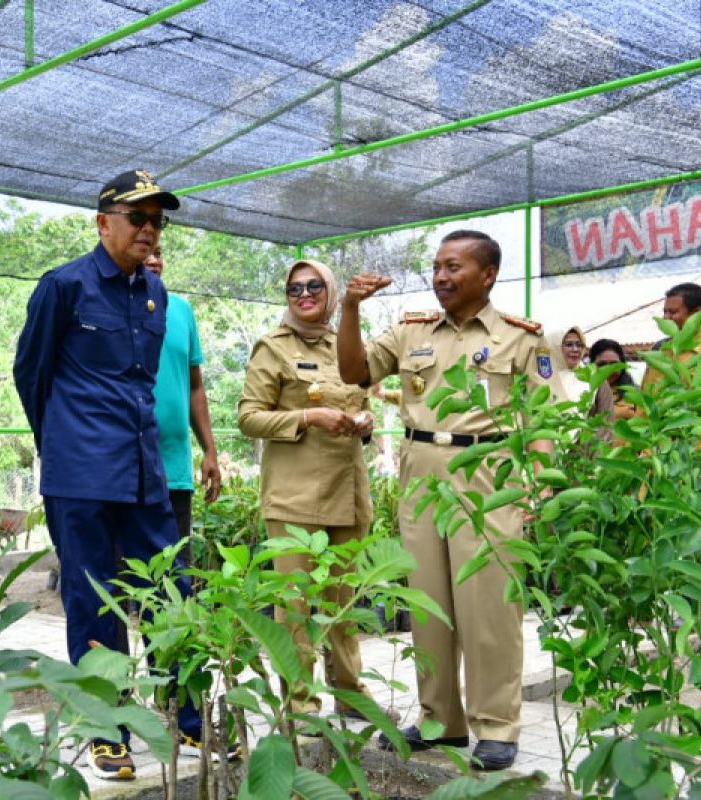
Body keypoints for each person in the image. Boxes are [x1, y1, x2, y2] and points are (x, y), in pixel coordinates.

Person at [14, 169, 231, 781]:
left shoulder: (155, 296)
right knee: (93, 599)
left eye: (157, 220)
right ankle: (107, 727)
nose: (149, 229)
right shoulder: (63, 287)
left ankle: (190, 715)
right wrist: (62, 444)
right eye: (138, 217)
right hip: (81, 478)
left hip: (146, 474)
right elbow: (30, 374)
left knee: (172, 592)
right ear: (103, 221)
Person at [337, 230, 563, 772]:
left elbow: (543, 421)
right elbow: (353, 372)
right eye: (437, 266)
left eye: (453, 267)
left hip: (488, 474)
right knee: (427, 603)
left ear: (488, 274)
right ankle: (440, 719)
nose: (440, 276)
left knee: (488, 604)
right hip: (420, 473)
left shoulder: (522, 339)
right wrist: (348, 308)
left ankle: (496, 724)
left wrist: (539, 481)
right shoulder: (411, 330)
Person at [238, 258, 392, 729]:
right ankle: (301, 701)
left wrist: (366, 422)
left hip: (348, 493)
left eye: (313, 287)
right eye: (293, 288)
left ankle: (350, 692)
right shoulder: (273, 347)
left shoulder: (344, 344)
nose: (303, 294)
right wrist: (305, 418)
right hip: (295, 498)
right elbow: (248, 417)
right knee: (296, 604)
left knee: (343, 601)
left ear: (328, 291)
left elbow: (363, 400)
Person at [143, 244, 221, 538]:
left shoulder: (181, 310)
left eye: (159, 253)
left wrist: (210, 451)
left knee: (177, 572)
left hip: (174, 471)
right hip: (124, 471)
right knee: (126, 574)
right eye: (145, 252)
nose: (153, 260)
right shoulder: (110, 308)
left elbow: (195, 387)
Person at [642, 283, 701, 388]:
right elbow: (645, 396)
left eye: (673, 312)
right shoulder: (658, 350)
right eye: (665, 312)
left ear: (696, 313)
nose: (665, 318)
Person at [588, 338, 637, 423]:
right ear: (592, 365)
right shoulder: (583, 391)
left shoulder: (634, 393)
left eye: (613, 364)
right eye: (602, 364)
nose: (608, 370)